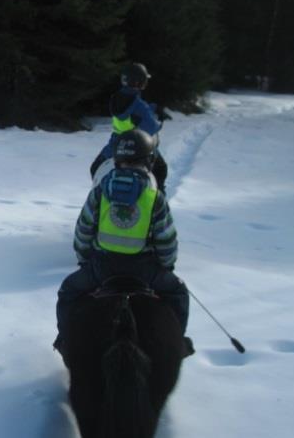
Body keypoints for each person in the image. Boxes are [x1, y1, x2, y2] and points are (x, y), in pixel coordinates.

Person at [56, 129, 192, 356]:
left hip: (102, 269)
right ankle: (176, 344)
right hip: (145, 271)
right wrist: (166, 266)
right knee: (178, 293)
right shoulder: (154, 196)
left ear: (117, 159)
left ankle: (65, 340)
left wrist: (84, 261)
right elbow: (166, 240)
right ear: (149, 160)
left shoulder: (100, 191)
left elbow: (83, 231)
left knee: (68, 291)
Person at [90, 62, 168, 192]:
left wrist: (152, 107)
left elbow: (133, 111)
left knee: (95, 168)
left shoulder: (116, 98)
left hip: (114, 145)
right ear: (139, 82)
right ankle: (158, 201)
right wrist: (159, 120)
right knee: (161, 169)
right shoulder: (139, 106)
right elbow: (152, 127)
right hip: (137, 146)